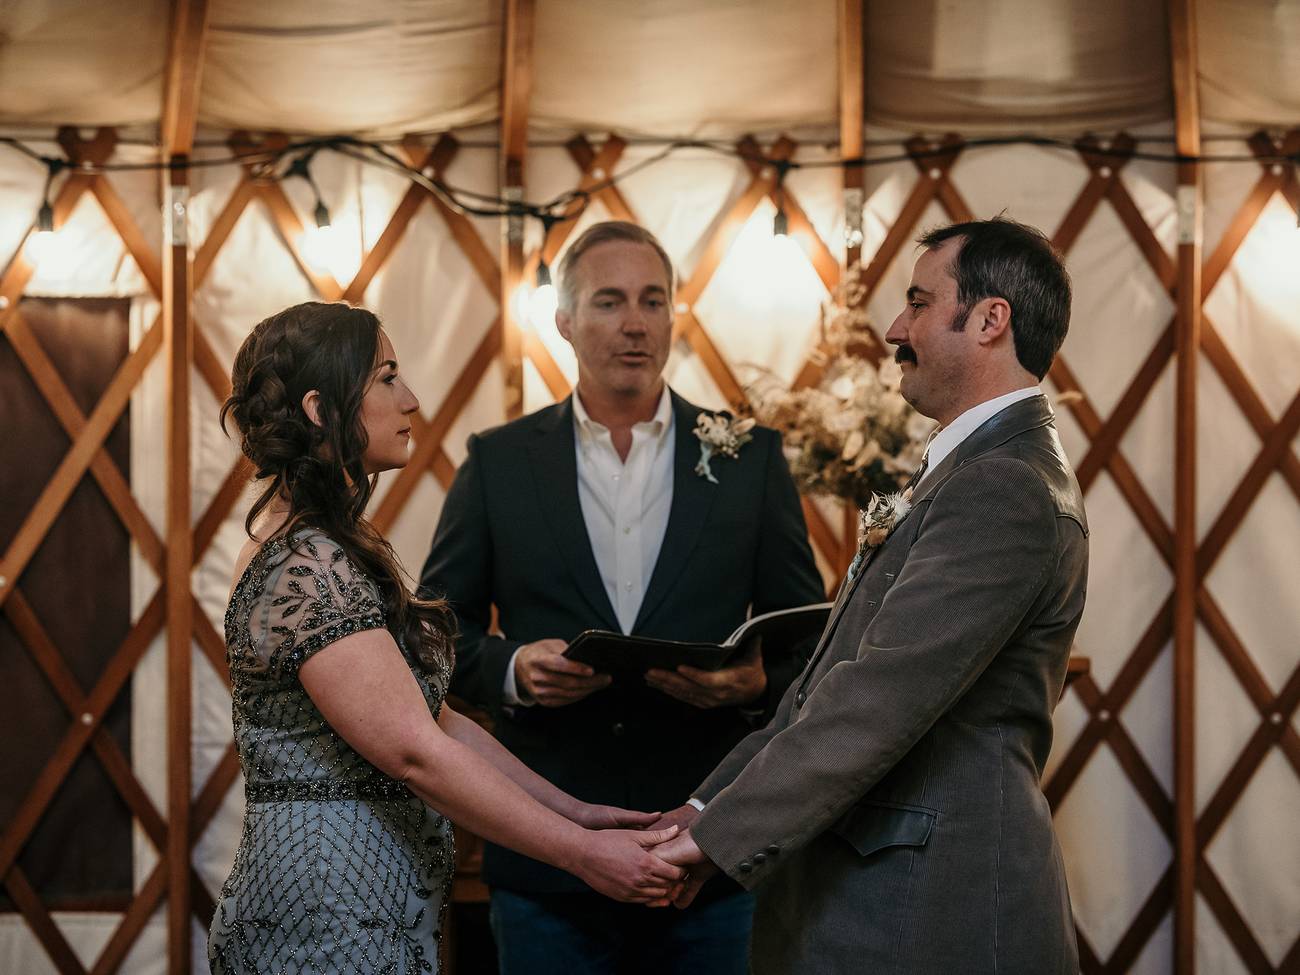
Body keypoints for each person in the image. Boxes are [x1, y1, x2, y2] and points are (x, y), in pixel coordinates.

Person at [654, 216, 1088, 974]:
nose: (895, 325)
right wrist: (703, 807)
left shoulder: (1005, 485)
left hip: (927, 909)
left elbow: (877, 698)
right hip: (882, 896)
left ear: (991, 320)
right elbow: (826, 686)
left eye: (919, 302)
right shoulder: (969, 471)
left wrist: (713, 839)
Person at [207, 302, 684, 974]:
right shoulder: (306, 564)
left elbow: (440, 722)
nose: (412, 399)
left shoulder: (329, 546)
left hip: (365, 903)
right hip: (325, 911)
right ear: (320, 408)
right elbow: (416, 753)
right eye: (387, 378)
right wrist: (580, 854)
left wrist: (576, 813)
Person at [419, 221, 824, 974]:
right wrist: (512, 670)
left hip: (709, 851)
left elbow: (810, 645)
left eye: (652, 301)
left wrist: (756, 680)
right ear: (565, 321)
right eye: (608, 302)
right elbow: (435, 637)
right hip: (549, 856)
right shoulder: (500, 461)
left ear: (675, 318)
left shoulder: (750, 459)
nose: (635, 323)